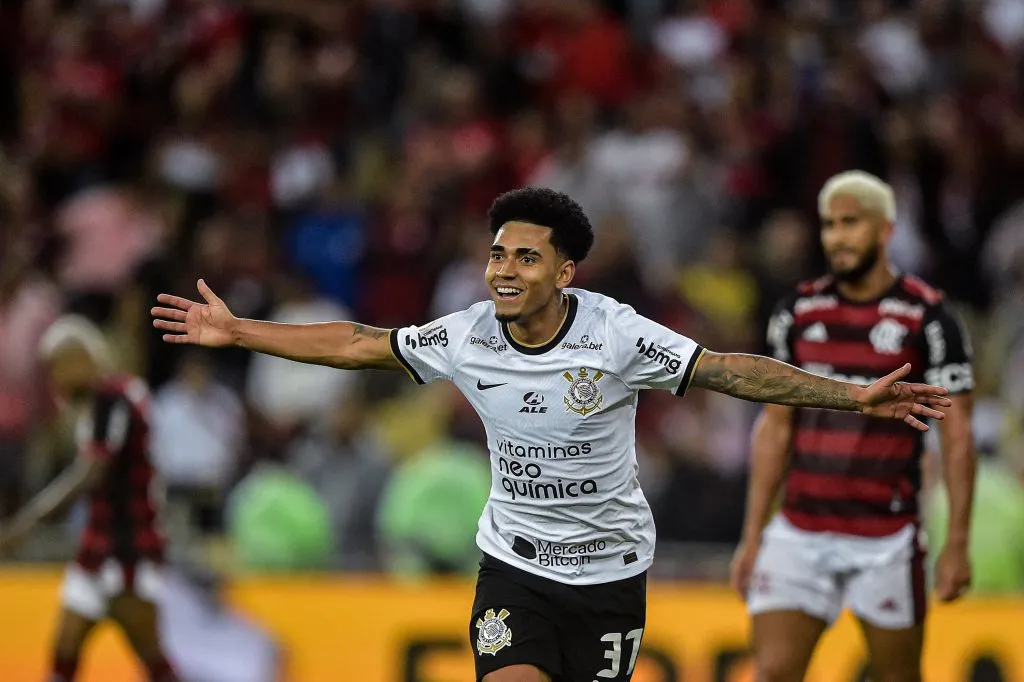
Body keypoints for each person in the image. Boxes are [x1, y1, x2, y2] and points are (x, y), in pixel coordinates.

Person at [152, 187, 951, 682]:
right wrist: (242, 332)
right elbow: (363, 343)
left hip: (608, 576)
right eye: (497, 253)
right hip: (514, 567)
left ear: (565, 273)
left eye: (525, 258)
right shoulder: (467, 334)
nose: (502, 269)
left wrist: (849, 397)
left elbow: (729, 371)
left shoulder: (617, 335)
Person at [730, 171, 976, 682]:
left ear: (885, 230)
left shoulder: (928, 317)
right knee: (771, 672)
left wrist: (956, 542)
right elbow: (775, 428)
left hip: (885, 535)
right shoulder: (796, 312)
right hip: (800, 527)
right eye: (828, 224)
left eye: (851, 223)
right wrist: (753, 534)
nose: (837, 236)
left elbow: (957, 433)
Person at [0, 315, 178, 682]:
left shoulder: (113, 398)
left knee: (153, 660)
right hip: (97, 547)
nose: (55, 381)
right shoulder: (105, 402)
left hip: (129, 549)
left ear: (81, 359)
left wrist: (28, 521)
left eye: (57, 368)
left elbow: (92, 472)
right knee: (64, 653)